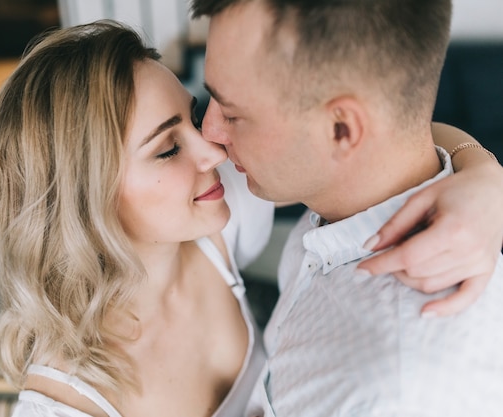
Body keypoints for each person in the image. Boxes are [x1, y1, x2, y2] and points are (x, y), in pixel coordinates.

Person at [0, 17, 500, 417]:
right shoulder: (60, 405)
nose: (211, 148)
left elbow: (378, 132)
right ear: (83, 197)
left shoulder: (219, 216)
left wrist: (484, 174)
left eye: (192, 113)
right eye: (167, 149)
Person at [190, 0, 503, 415]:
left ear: (341, 130)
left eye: (232, 113)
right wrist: (481, 163)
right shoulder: (341, 196)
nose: (208, 133)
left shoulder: (394, 392)